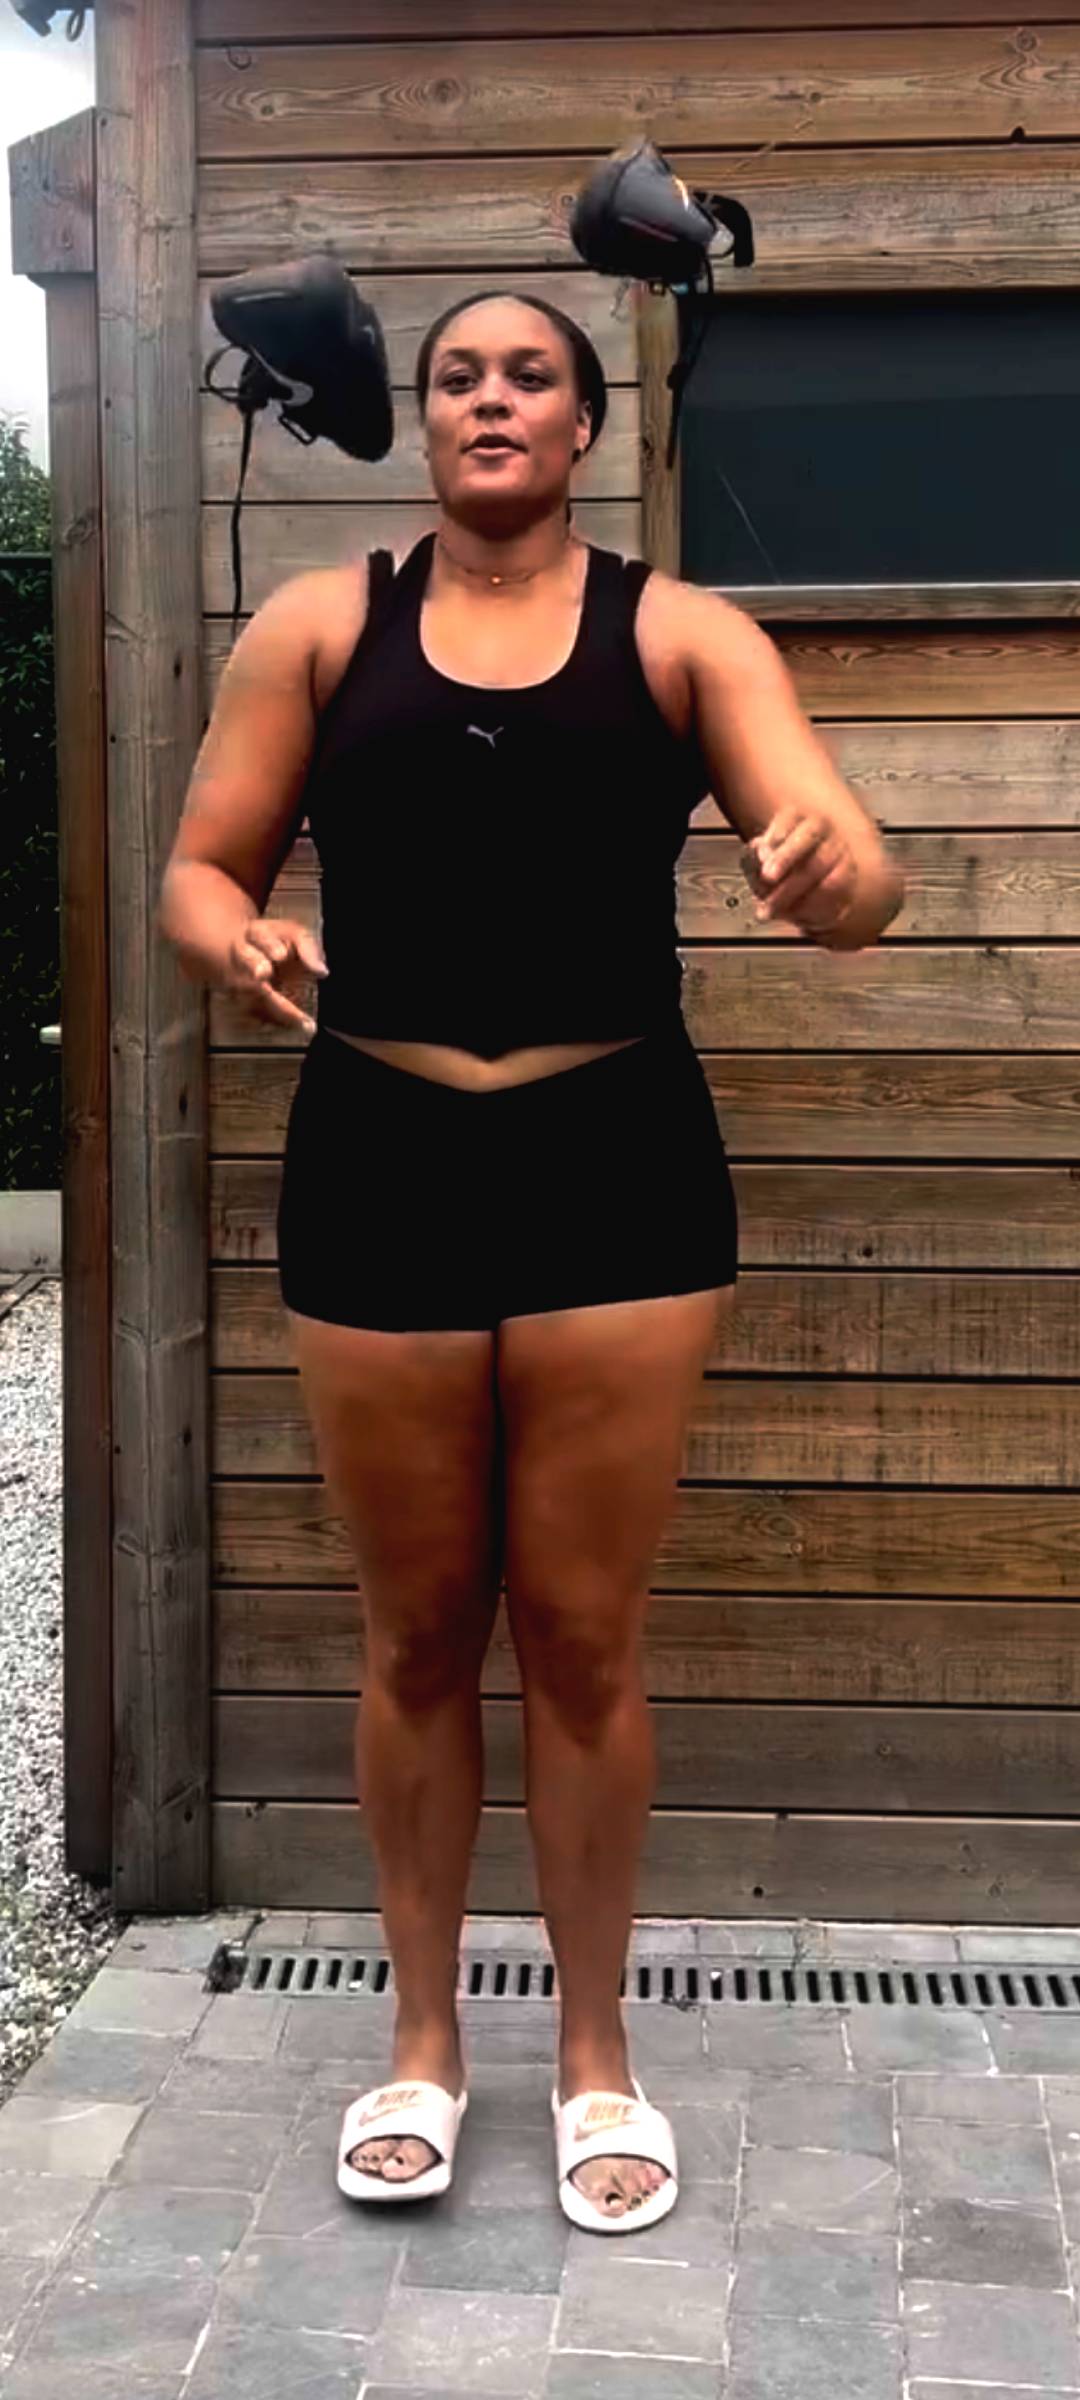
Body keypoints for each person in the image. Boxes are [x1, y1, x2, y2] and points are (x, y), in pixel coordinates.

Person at [159, 290, 903, 2233]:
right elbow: (200, 864)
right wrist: (232, 935)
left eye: (533, 376)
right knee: (416, 1633)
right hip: (382, 1150)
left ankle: (594, 2058)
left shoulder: (683, 634)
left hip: (615, 1160)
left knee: (579, 1638)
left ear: (585, 423)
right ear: (426, 422)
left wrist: (834, 870)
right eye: (461, 377)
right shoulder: (323, 626)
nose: (494, 400)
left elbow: (858, 870)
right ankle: (420, 2041)